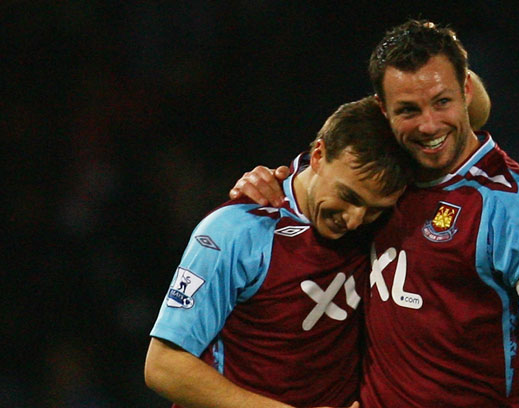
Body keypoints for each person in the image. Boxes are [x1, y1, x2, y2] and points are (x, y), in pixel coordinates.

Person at [230, 19, 519, 407]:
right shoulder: (380, 181)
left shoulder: (517, 207)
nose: (429, 125)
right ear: (382, 110)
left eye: (442, 102)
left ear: (466, 91)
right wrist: (265, 183)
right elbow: (320, 177)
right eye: (408, 110)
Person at [144, 96, 414, 408]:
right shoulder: (236, 230)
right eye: (347, 196)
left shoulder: (386, 223)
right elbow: (164, 366)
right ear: (318, 154)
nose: (355, 220)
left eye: (373, 209)